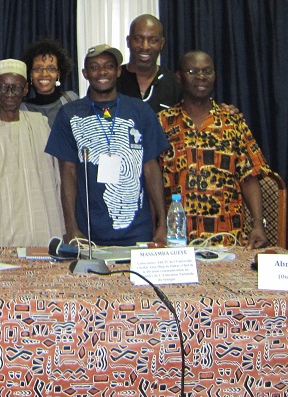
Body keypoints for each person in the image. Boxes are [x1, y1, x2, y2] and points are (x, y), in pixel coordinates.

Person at [46, 44, 170, 246]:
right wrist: (72, 228)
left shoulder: (141, 111)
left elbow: (151, 168)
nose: (102, 72)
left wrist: (162, 225)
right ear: (85, 73)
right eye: (94, 67)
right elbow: (68, 173)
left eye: (109, 66)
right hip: (89, 234)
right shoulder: (70, 114)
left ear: (118, 71)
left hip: (139, 232)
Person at [158, 50, 271, 247]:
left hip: (228, 237)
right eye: (192, 71)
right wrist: (157, 226)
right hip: (177, 239)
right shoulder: (162, 123)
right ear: (179, 77)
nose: (201, 76)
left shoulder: (233, 122)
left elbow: (249, 178)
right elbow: (151, 182)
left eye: (207, 71)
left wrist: (258, 224)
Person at [0, 59, 63, 247]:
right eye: (3, 87)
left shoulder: (40, 125)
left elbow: (55, 178)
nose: (9, 94)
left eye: (15, 88)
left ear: (25, 90)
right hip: (0, 222)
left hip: (38, 223)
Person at [117, 14, 180, 113]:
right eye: (138, 39)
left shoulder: (175, 84)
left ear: (162, 43)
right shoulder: (113, 80)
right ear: (128, 41)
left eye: (153, 40)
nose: (145, 47)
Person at [19, 38, 78, 127]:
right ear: (30, 74)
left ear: (58, 74)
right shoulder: (22, 110)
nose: (44, 74)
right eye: (38, 69)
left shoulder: (71, 100)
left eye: (51, 69)